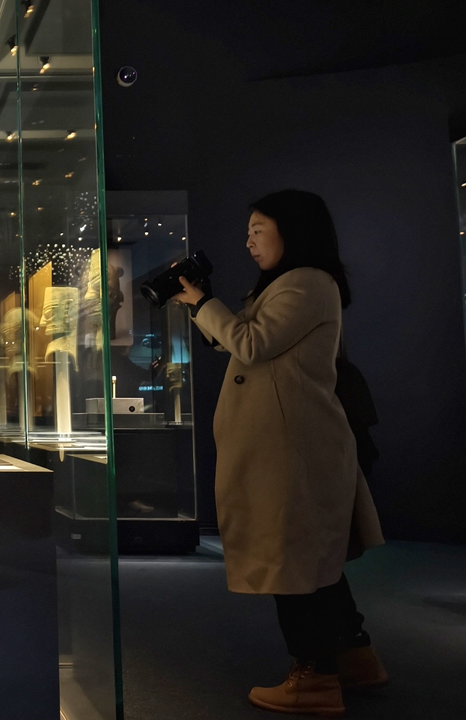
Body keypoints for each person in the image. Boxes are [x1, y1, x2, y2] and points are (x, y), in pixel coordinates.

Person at [173, 189, 387, 716]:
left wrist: (202, 303)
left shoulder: (307, 283)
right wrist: (202, 305)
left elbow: (251, 343)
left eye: (258, 229)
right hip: (292, 450)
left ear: (293, 230)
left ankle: (313, 678)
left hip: (293, 454)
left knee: (293, 565)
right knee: (313, 562)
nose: (248, 240)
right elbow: (239, 339)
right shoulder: (293, 284)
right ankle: (354, 658)